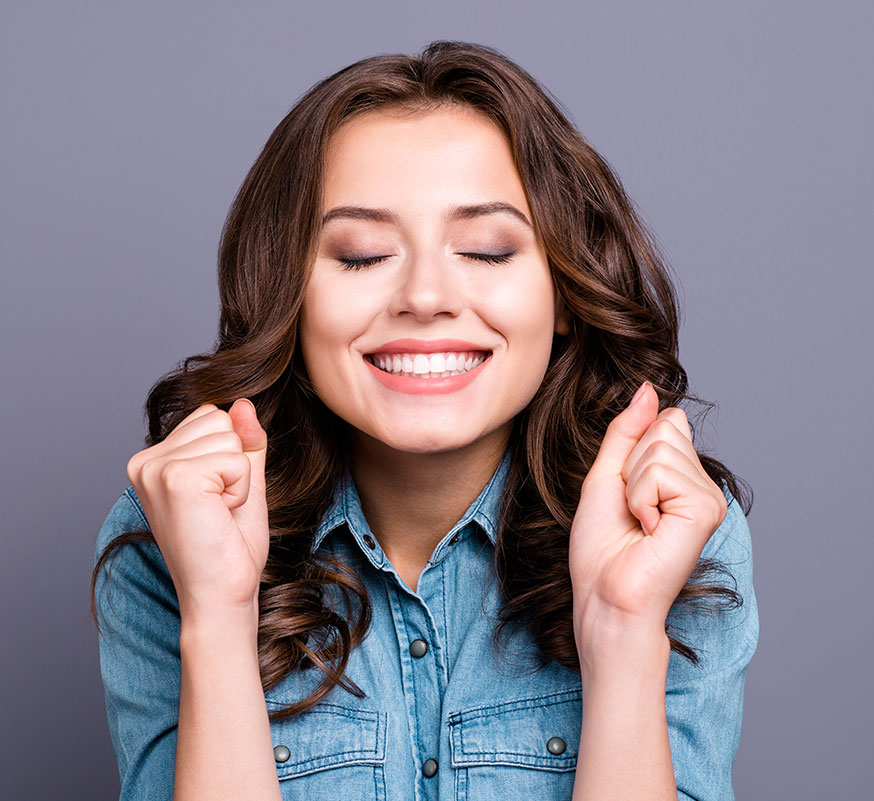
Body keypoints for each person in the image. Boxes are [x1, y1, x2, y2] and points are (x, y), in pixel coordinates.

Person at [92, 40, 758, 801]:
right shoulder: (171, 533)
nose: (425, 297)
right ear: (288, 296)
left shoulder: (673, 529)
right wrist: (217, 614)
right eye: (361, 255)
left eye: (487, 249)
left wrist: (625, 625)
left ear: (566, 294)